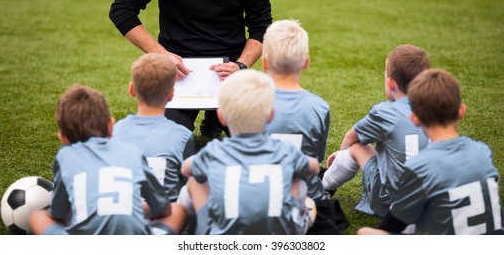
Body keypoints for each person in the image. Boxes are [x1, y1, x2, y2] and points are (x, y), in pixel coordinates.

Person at [109, 0, 273, 139]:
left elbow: (261, 25)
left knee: (254, 139)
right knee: (166, 138)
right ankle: (213, 114)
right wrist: (161, 54)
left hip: (229, 70)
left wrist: (241, 65)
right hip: (178, 71)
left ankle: (215, 116)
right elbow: (122, 8)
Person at [357, 69, 503, 235]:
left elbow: (392, 226)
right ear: (461, 111)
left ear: (415, 119)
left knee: (364, 233)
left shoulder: (419, 165)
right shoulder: (483, 152)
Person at [29, 85, 187, 235]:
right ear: (111, 125)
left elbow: (58, 213)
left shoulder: (64, 156)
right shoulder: (132, 152)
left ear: (62, 138)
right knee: (178, 210)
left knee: (37, 216)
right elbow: (163, 209)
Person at [181, 70, 320, 235]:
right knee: (298, 178)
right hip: (278, 236)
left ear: (221, 117)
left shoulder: (213, 152)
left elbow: (186, 169)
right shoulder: (285, 150)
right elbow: (314, 167)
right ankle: (295, 221)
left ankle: (190, 231)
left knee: (194, 182)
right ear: (271, 115)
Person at [322, 44, 430, 217]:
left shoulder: (385, 112)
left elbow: (352, 136)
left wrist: (341, 155)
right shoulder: (437, 110)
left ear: (390, 83)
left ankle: (321, 187)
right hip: (430, 201)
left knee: (357, 147)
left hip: (392, 204)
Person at [112, 53, 196, 202]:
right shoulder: (182, 135)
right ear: (171, 95)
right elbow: (188, 180)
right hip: (166, 213)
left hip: (124, 209)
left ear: (132, 89)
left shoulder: (115, 130)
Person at [261, 19, 330, 201]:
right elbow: (318, 155)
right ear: (306, 62)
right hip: (305, 197)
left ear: (264, 63)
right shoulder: (319, 107)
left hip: (259, 193)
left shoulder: (251, 103)